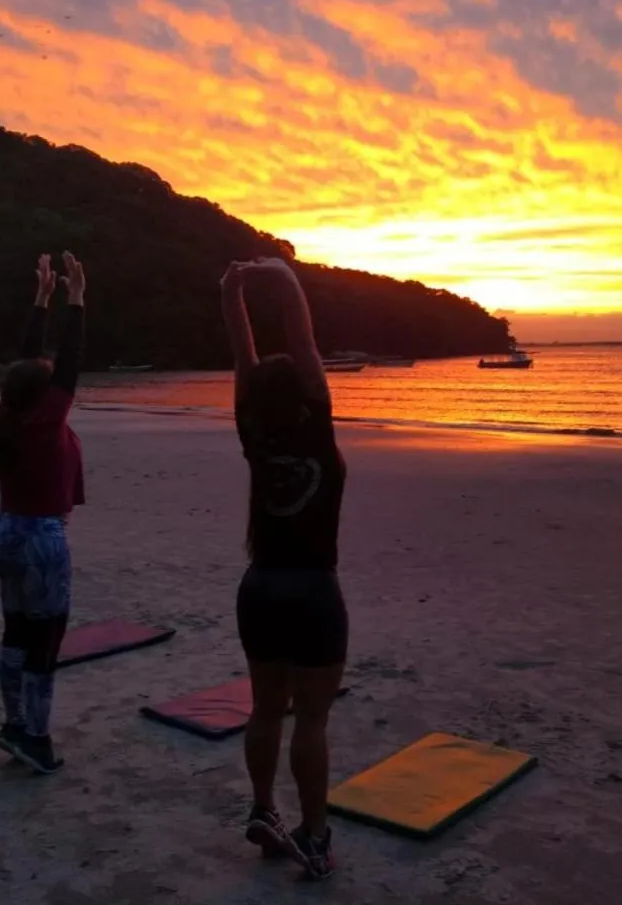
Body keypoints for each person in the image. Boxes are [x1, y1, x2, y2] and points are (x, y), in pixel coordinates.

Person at [220, 257, 348, 881]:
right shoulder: (316, 425)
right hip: (312, 591)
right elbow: (303, 340)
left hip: (260, 588)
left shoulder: (253, 431)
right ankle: (316, 835)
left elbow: (246, 360)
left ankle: (266, 810)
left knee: (266, 709)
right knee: (312, 719)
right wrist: (285, 279)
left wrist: (233, 294)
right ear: (304, 390)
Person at [0, 252, 86, 775]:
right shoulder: (43, 419)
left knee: (17, 631)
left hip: (7, 531)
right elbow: (67, 364)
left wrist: (40, 299)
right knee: (47, 640)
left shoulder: (10, 412)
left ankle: (15, 724)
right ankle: (36, 737)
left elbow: (29, 364)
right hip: (42, 538)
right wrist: (76, 300)